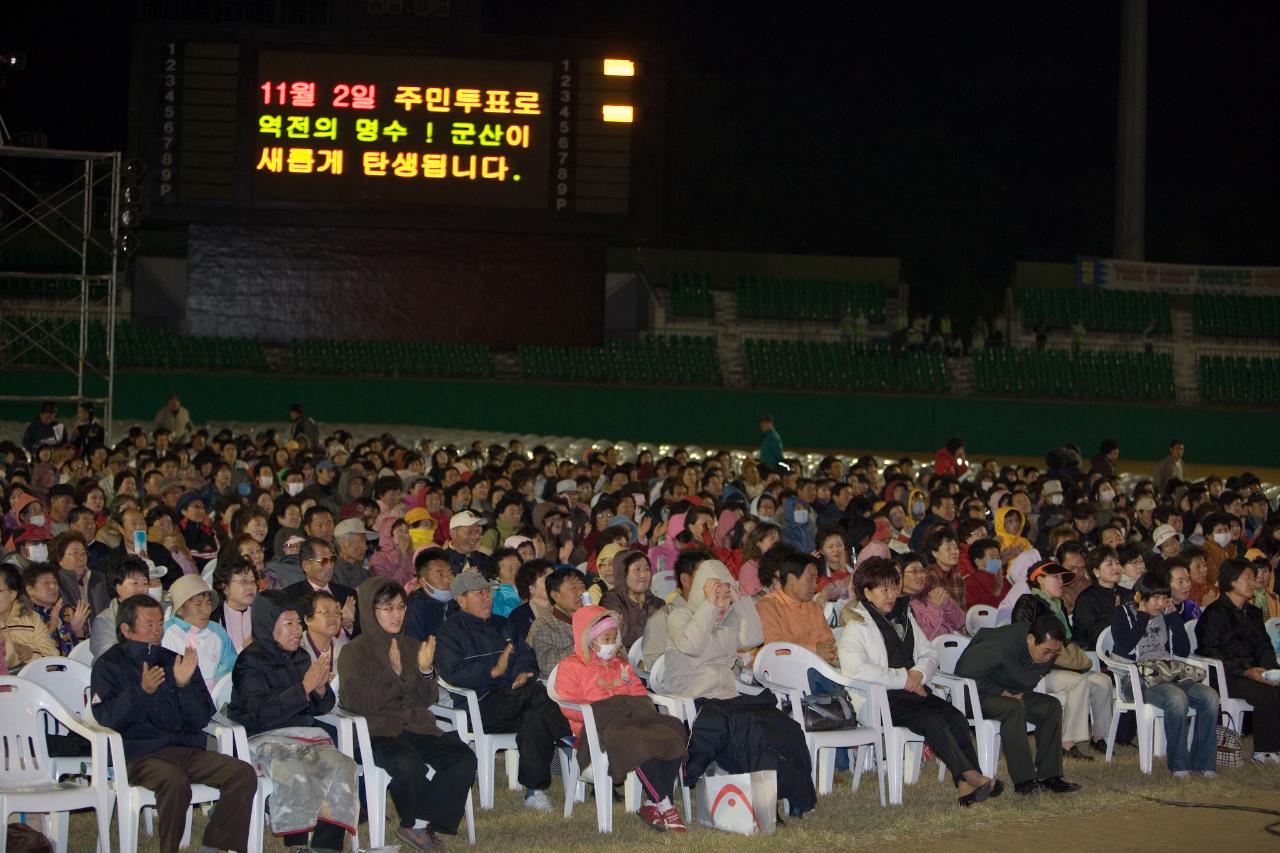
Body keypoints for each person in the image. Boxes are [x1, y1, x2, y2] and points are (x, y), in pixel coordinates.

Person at [90, 594, 257, 853]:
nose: (157, 630)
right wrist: (142, 691)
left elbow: (201, 717)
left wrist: (182, 685)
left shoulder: (175, 659)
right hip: (138, 755)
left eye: (159, 623)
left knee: (242, 773)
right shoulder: (109, 665)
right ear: (126, 629)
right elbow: (108, 718)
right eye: (149, 624)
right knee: (174, 780)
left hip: (184, 749)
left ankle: (213, 846)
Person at [838, 556, 1001, 805]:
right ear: (867, 593)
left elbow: (929, 653)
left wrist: (918, 674)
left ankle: (965, 787)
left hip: (914, 689)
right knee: (931, 720)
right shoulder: (856, 625)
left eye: (894, 586)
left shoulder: (904, 615)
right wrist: (905, 678)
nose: (891, 594)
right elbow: (857, 670)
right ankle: (971, 774)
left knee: (955, 717)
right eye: (884, 589)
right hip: (880, 698)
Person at [339, 576, 478, 849]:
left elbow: (426, 699)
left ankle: (417, 824)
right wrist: (393, 675)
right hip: (378, 731)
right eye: (388, 608)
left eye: (401, 607)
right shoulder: (353, 652)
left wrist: (426, 672)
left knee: (463, 758)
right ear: (370, 610)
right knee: (408, 764)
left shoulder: (411, 645)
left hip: (416, 725)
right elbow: (358, 702)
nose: (396, 615)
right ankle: (421, 824)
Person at [228, 590, 359, 851]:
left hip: (304, 736)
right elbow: (261, 712)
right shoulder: (249, 662)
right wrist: (303, 688)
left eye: (299, 623)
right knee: (295, 771)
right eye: (289, 624)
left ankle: (326, 846)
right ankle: (296, 844)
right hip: (262, 738)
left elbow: (322, 707)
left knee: (343, 765)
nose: (298, 630)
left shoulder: (300, 657)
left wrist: (320, 690)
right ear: (268, 626)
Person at [435, 571, 571, 812]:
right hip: (479, 705)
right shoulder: (450, 632)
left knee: (535, 716)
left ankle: (533, 790)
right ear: (461, 600)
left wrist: (522, 671)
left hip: (514, 698)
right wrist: (492, 672)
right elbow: (451, 673)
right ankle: (570, 743)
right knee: (537, 693)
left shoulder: (502, 623)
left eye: (488, 592)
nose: (487, 598)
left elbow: (525, 653)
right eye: (479, 594)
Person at [554, 605, 690, 831]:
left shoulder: (621, 665)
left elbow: (638, 692)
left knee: (673, 729)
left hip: (632, 718)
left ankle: (651, 803)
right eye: (605, 638)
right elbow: (567, 704)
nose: (611, 643)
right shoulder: (571, 666)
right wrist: (602, 709)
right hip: (597, 726)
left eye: (613, 637)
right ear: (590, 639)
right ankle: (664, 804)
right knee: (635, 740)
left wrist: (631, 700)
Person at [954, 616, 1081, 795]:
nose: (1050, 657)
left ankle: (1050, 776)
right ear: (1030, 639)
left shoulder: (1049, 647)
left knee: (1051, 706)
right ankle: (1025, 782)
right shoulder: (999, 645)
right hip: (974, 695)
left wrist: (1019, 691)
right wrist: (1004, 692)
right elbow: (965, 674)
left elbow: (1036, 672)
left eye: (1055, 652)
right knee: (1014, 708)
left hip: (1011, 692)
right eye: (1046, 651)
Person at [1111, 571, 1220, 776]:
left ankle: (1204, 763)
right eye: (1156, 598)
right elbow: (1124, 647)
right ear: (1140, 597)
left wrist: (1173, 619)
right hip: (1135, 679)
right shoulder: (1123, 614)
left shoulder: (1166, 615)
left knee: (1210, 697)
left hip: (1168, 674)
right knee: (1176, 698)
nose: (1161, 603)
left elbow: (1181, 651)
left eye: (1164, 597)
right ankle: (1179, 764)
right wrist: (1143, 617)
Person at [1010, 561, 1113, 758]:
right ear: (1039, 579)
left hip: (1061, 665)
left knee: (1103, 681)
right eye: (1055, 577)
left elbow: (1069, 640)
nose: (1060, 582)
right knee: (1078, 682)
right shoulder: (1028, 602)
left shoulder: (1059, 606)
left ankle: (1100, 736)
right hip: (1037, 668)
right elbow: (1021, 638)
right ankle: (1067, 743)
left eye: (1061, 578)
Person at [1195, 558, 1280, 763]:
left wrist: (1272, 670)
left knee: (1275, 684)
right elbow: (1211, 652)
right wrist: (1246, 671)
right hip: (1225, 675)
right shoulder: (1215, 613)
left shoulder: (1252, 612)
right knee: (1267, 692)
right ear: (1232, 581)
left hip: (1252, 671)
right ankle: (1264, 751)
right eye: (1248, 578)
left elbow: (1264, 646)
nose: (1254, 582)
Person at [756, 550, 837, 664]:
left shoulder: (813, 606)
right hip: (783, 674)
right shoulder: (768, 607)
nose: (815, 585)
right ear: (792, 580)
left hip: (817, 670)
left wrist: (827, 654)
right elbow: (773, 650)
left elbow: (829, 645)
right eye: (810, 579)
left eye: (816, 580)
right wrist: (814, 650)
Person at [161, 574, 236, 693]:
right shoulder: (166, 633)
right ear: (180, 609)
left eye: (208, 603)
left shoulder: (217, 632)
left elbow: (229, 671)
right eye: (198, 604)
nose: (206, 610)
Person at [599, 550, 665, 651]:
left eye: (647, 569)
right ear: (622, 573)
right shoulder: (611, 600)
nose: (643, 575)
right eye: (637, 570)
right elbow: (616, 638)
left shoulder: (657, 603)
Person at [527, 567, 585, 677]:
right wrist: (584, 643)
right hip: (558, 688)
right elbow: (546, 666)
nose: (581, 593)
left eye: (583, 588)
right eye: (573, 588)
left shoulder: (593, 619)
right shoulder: (543, 625)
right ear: (555, 595)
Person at [1, 563, 60, 667]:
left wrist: (31, 652)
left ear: (12, 594)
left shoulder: (30, 618)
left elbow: (53, 654)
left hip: (32, 679)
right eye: (45, 582)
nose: (52, 586)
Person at [900, 552, 965, 641]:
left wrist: (946, 603)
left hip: (954, 643)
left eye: (922, 571)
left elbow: (960, 621)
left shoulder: (930, 593)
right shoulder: (902, 606)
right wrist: (934, 606)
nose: (920, 575)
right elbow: (924, 638)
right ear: (899, 576)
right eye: (914, 571)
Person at [1072, 546, 1123, 651]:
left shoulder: (1127, 593)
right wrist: (1115, 614)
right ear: (1096, 572)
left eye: (1117, 563)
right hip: (1095, 653)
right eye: (1109, 564)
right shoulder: (1086, 599)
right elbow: (1094, 634)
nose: (1116, 567)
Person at [405, 547, 459, 641]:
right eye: (440, 575)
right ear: (423, 582)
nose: (448, 580)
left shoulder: (454, 601)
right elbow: (413, 647)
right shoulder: (415, 608)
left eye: (450, 573)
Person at [210, 555, 258, 653]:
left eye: (253, 581)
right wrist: (242, 648)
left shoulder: (264, 614)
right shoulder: (212, 619)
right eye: (243, 582)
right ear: (225, 587)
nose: (250, 587)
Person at [299, 588, 348, 663]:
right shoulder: (296, 650)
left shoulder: (345, 650)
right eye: (327, 612)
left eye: (336, 611)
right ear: (308, 619)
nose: (333, 616)